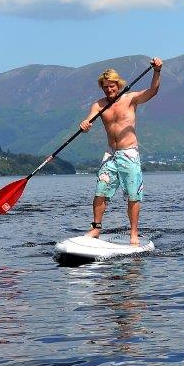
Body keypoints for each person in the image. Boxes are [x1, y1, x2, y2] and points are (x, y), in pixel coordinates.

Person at [78, 58, 163, 246]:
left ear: (118, 84)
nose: (109, 90)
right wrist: (85, 124)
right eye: (105, 87)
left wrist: (157, 71)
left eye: (112, 86)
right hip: (111, 155)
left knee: (133, 195)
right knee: (101, 191)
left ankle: (134, 233)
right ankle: (96, 228)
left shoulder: (130, 99)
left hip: (129, 154)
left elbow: (152, 92)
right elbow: (89, 120)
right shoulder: (99, 105)